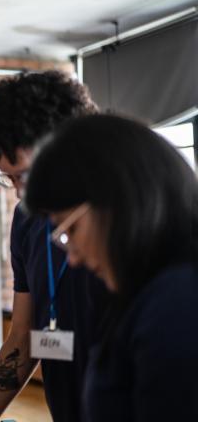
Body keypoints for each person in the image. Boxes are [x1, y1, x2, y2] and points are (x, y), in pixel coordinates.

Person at [23, 114, 198, 421]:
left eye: (71, 231)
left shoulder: (176, 303)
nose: (72, 257)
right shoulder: (145, 294)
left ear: (119, 203)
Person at [0, 71, 108, 422]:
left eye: (26, 176)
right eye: (9, 178)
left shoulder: (118, 219)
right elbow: (23, 338)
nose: (19, 192)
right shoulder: (26, 220)